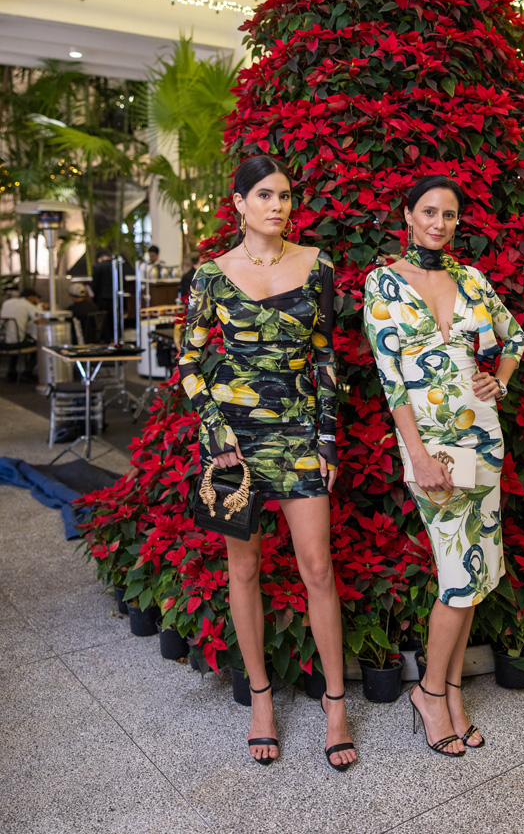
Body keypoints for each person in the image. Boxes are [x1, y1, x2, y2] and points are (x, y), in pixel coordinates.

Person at [178, 156, 356, 770]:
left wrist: (328, 440)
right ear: (238, 204)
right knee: (245, 568)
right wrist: (215, 429)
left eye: (284, 195)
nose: (278, 205)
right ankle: (260, 700)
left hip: (301, 435)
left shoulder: (317, 266)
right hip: (234, 443)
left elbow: (328, 358)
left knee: (317, 567)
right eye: (264, 195)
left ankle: (336, 704)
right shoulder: (211, 275)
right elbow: (190, 364)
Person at [363, 175, 524, 757]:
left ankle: (452, 693)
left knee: (474, 575)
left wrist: (498, 383)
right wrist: (417, 454)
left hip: (483, 439)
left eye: (450, 215)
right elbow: (392, 380)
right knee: (458, 576)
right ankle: (429, 693)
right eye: (429, 212)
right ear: (408, 215)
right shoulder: (382, 282)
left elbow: (515, 337)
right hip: (430, 446)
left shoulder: (472, 279)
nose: (439, 223)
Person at [1, 288, 41, 382]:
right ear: (31, 297)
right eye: (36, 298)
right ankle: (27, 372)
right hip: (16, 343)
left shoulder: (8, 302)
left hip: (2, 341)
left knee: (15, 337)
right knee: (39, 344)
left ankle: (11, 372)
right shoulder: (27, 304)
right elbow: (39, 319)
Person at [91, 250, 114, 341]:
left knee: (104, 321)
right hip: (115, 299)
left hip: (101, 299)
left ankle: (106, 340)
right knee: (114, 319)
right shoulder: (116, 266)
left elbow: (95, 284)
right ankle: (114, 339)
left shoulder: (97, 267)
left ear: (99, 259)